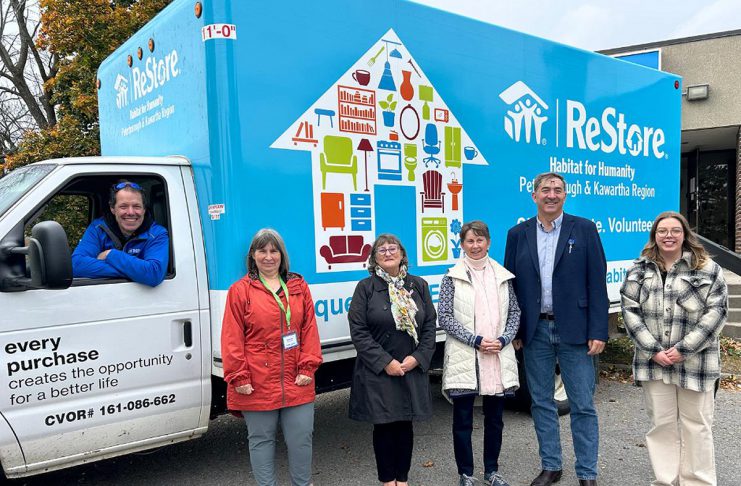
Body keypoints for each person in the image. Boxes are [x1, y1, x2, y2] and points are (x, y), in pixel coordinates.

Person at [503, 172, 608, 486]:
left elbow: (596, 283)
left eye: (557, 190)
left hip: (575, 331)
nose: (551, 194)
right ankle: (551, 466)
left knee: (583, 404)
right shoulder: (517, 234)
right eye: (545, 190)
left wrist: (599, 331)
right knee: (541, 403)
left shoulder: (585, 229)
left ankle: (587, 473)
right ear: (533, 195)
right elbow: (511, 286)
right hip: (535, 332)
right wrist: (516, 330)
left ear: (565, 195)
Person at [620, 211, 727, 486]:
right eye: (662, 231)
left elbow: (716, 313)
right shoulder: (638, 270)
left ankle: (698, 482)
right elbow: (630, 312)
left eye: (675, 231)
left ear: (685, 235)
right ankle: (666, 481)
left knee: (697, 427)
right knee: (662, 427)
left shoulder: (707, 269)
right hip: (654, 362)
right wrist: (653, 350)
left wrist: (683, 350)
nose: (668, 236)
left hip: (696, 363)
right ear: (654, 236)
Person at [221, 228, 322, 486]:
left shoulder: (298, 287)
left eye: (273, 250)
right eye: (262, 251)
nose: (268, 256)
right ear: (252, 256)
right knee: (261, 440)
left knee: (301, 438)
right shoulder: (240, 291)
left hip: (296, 378)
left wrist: (307, 367)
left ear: (282, 255)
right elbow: (232, 338)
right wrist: (238, 375)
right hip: (256, 380)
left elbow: (309, 330)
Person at [348, 234, 437, 486]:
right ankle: (388, 481)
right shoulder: (365, 288)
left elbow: (430, 325)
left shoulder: (418, 285)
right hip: (379, 371)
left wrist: (418, 358)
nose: (388, 253)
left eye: (393, 248)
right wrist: (385, 362)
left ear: (402, 253)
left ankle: (403, 479)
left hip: (410, 367)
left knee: (405, 426)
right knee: (385, 427)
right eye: (381, 250)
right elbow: (359, 330)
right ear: (374, 258)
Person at [438, 221, 521, 486]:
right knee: (462, 420)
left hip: (497, 354)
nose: (475, 246)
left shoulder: (503, 275)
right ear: (462, 244)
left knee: (495, 419)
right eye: (470, 241)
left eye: (480, 240)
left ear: (488, 243)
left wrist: (504, 338)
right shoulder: (452, 276)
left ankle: (492, 471)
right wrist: (475, 340)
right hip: (466, 356)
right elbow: (445, 317)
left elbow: (515, 313)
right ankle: (466, 473)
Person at [71, 180, 169, 287]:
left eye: (137, 206)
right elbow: (76, 264)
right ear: (113, 209)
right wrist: (137, 272)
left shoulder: (158, 233)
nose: (131, 212)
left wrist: (111, 255)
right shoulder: (98, 228)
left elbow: (154, 274)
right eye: (123, 206)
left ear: (144, 209)